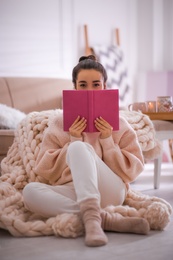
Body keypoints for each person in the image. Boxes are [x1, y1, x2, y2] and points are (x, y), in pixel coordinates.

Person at [23, 55, 150, 247]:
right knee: (30, 192)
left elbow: (132, 170)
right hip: (74, 190)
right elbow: (45, 170)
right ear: (74, 88)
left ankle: (93, 219)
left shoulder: (120, 124)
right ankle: (102, 219)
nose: (89, 89)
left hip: (111, 191)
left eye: (95, 84)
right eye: (83, 85)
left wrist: (107, 141)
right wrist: (73, 139)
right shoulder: (58, 123)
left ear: (104, 86)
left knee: (78, 147)